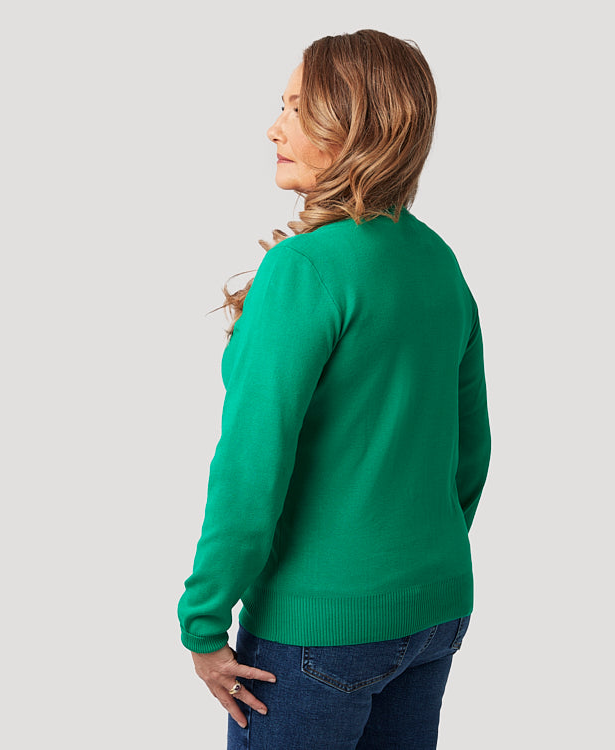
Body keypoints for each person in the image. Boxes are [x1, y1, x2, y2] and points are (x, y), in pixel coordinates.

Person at [177, 28, 491, 750]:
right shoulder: (436, 260)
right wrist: (411, 564)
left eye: (297, 108)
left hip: (316, 630)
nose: (273, 127)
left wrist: (203, 621)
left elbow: (252, 462)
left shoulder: (305, 269)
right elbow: (471, 449)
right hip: (435, 610)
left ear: (355, 128)